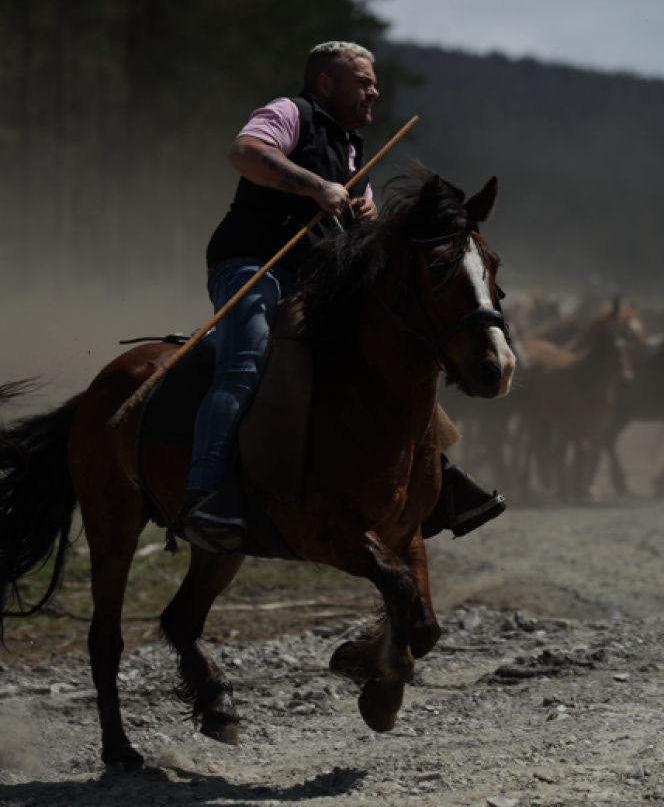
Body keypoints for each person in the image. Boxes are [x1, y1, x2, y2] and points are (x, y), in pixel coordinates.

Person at [180, 41, 505, 552]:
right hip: (250, 265)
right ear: (327, 82)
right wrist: (315, 186)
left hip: (314, 284)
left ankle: (438, 478)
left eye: (374, 83)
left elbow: (359, 237)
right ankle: (205, 494)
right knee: (246, 357)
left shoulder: (357, 153)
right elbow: (244, 153)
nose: (374, 90)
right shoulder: (291, 113)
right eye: (364, 81)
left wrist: (370, 225)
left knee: (390, 357)